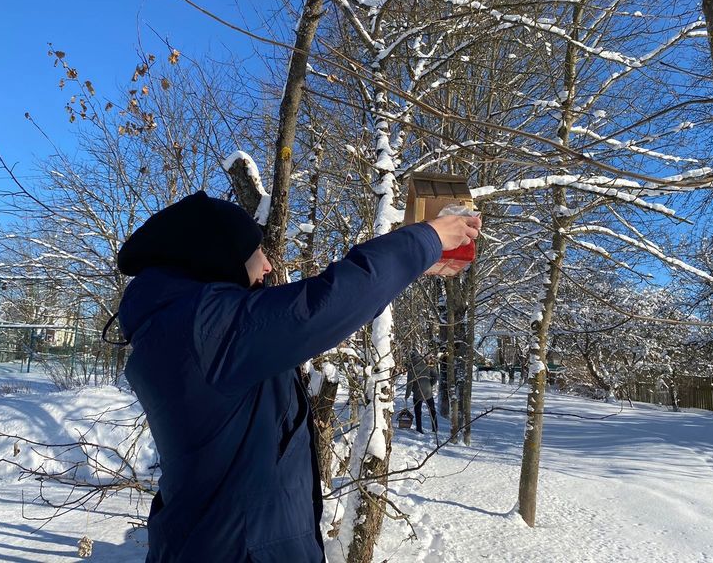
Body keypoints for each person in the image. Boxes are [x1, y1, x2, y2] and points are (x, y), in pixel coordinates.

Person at [116, 190, 480, 562]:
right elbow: (322, 307)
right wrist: (426, 239)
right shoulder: (204, 331)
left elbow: (332, 312)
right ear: (218, 258)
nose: (269, 265)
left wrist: (413, 265)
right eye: (256, 252)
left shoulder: (191, 327)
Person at [405, 348, 439, 434]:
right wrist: (430, 384)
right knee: (432, 410)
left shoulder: (412, 367)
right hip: (428, 391)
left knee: (418, 411)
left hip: (417, 392)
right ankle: (435, 428)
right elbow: (435, 375)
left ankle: (419, 428)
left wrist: (407, 395)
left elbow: (409, 383)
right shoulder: (425, 363)